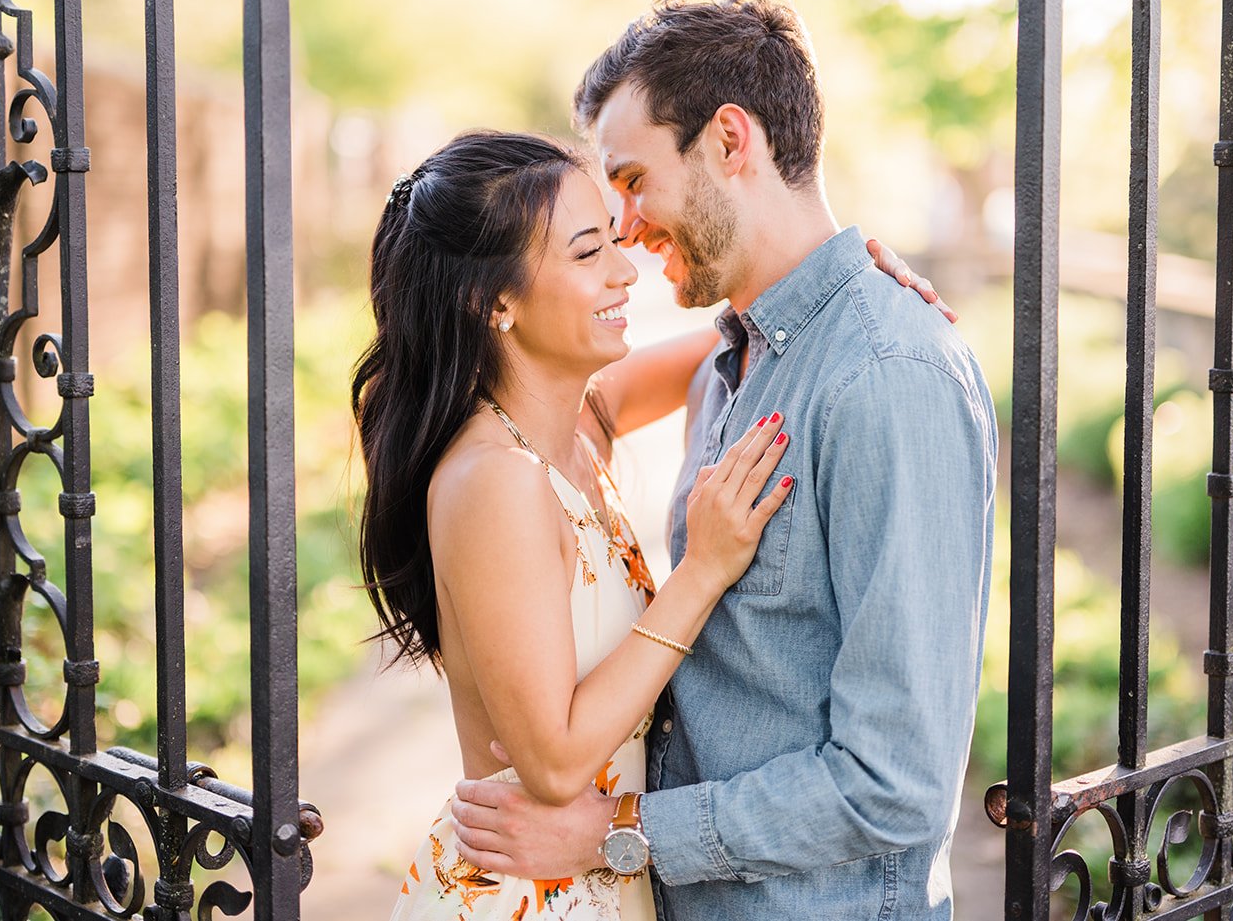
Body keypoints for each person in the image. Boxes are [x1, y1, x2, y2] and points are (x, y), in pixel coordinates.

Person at [450, 0, 997, 919]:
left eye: (631, 179)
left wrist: (626, 831)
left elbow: (893, 783)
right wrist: (847, 267)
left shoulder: (888, 378)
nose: (623, 226)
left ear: (730, 141)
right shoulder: (734, 354)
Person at [355, 130, 941, 920]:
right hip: (530, 890)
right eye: (588, 251)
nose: (625, 269)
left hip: (593, 877)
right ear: (493, 300)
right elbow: (556, 760)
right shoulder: (497, 480)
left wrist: (840, 281)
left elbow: (748, 331)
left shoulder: (571, 427)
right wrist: (702, 571)